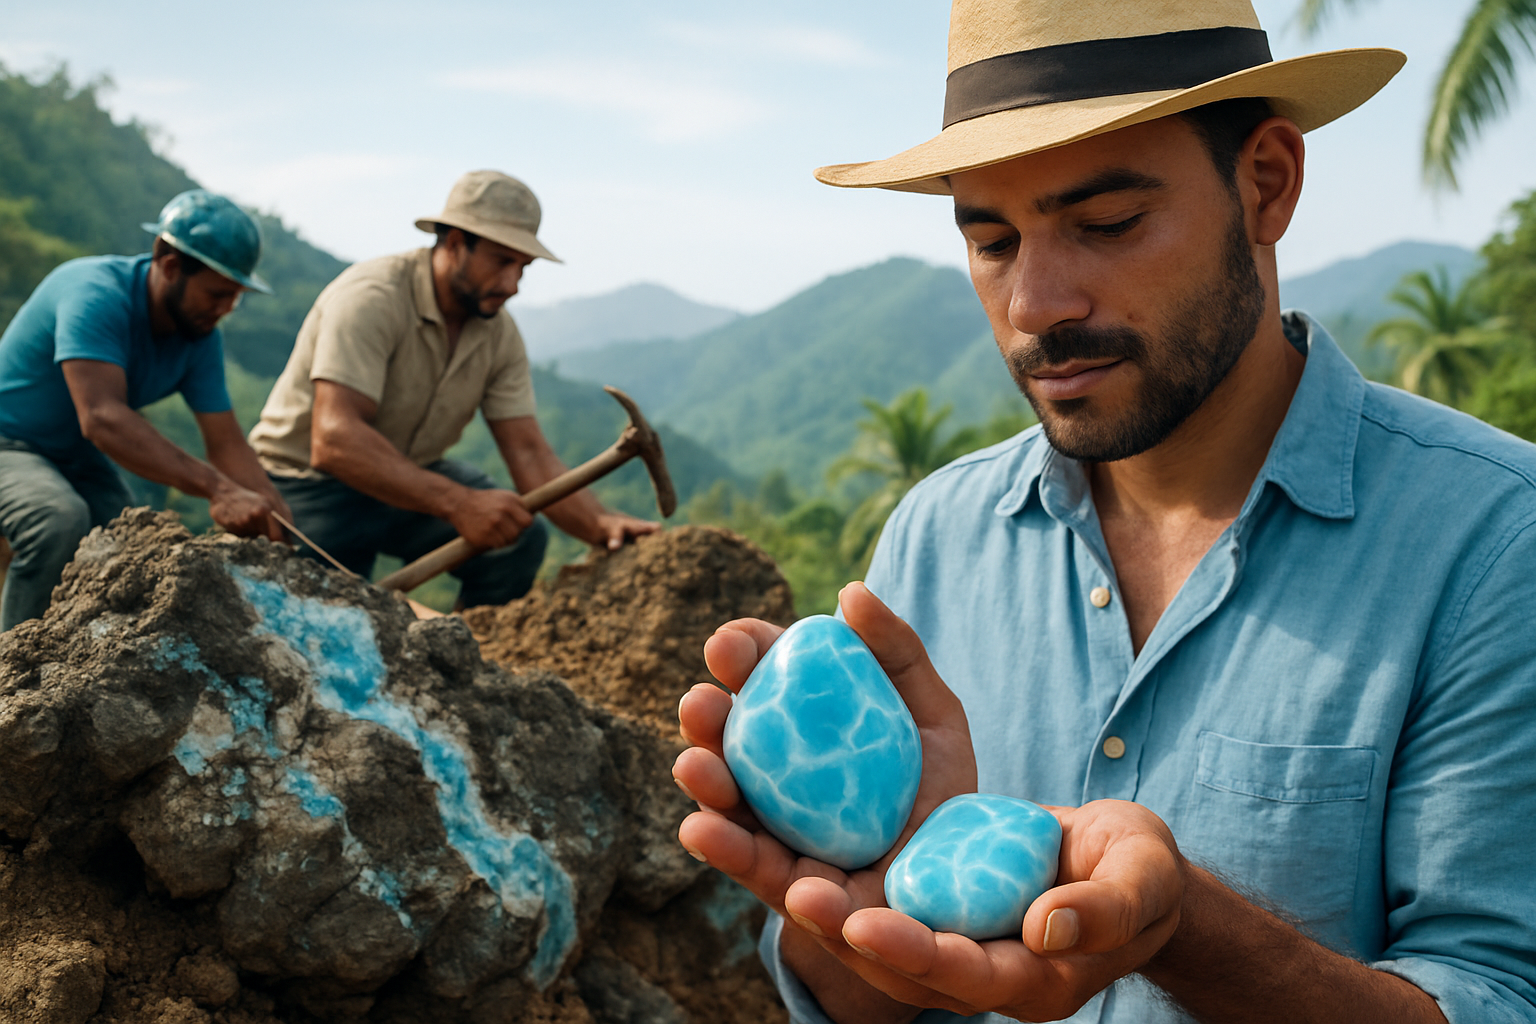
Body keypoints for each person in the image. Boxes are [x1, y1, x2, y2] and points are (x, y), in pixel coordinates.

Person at [672, 1, 1536, 1022]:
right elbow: (864, 999)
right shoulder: (937, 537)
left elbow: (1495, 992)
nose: (1038, 302)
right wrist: (852, 912)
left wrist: (1185, 930)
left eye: (1108, 224)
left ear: (1266, 182)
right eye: (992, 241)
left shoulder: (1491, 543)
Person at [249, 170, 657, 606]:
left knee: (514, 538)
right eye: (502, 261)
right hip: (306, 485)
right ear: (456, 242)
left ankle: (464, 663)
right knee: (322, 618)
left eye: (523, 267)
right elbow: (334, 440)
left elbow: (528, 451)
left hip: (408, 476)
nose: (513, 285)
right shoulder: (372, 297)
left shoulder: (497, 334)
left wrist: (599, 524)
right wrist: (459, 504)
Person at [0, 190, 289, 632]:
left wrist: (276, 518)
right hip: (9, 441)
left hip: (71, 456)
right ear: (170, 266)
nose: (226, 308)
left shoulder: (199, 336)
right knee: (57, 521)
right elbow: (101, 417)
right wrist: (219, 490)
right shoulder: (94, 293)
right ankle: (12, 673)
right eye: (217, 293)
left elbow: (226, 442)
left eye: (235, 296)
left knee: (133, 543)